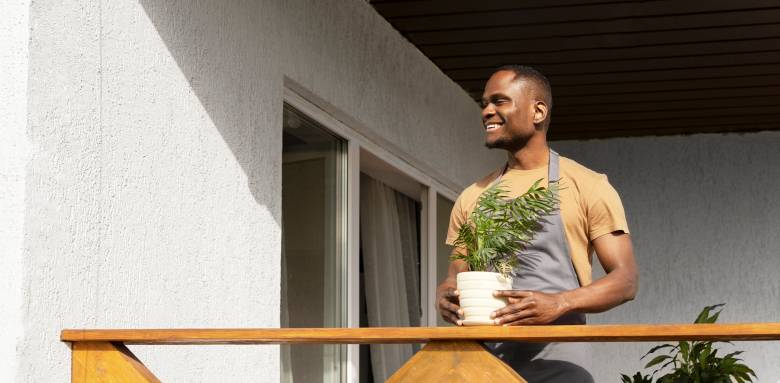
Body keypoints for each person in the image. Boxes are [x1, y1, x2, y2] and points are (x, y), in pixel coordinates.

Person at [436, 65, 638, 382]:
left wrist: (559, 302)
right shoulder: (473, 196)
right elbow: (456, 275)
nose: (487, 111)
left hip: (560, 368)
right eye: (484, 104)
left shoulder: (587, 185)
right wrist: (446, 294)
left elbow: (625, 281)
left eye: (499, 101)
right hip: (485, 369)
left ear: (538, 112)